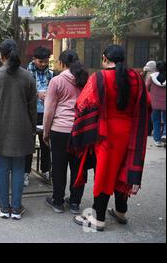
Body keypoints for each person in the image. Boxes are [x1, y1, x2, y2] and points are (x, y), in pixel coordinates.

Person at [71, 45, 150, 231]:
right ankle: (121, 211)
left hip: (106, 133)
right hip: (130, 133)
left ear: (105, 58)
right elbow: (148, 103)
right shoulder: (136, 78)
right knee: (123, 169)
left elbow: (82, 104)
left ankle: (98, 218)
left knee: (105, 173)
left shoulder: (99, 77)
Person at [0, 39, 37, 220]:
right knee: (19, 169)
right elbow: (32, 108)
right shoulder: (28, 77)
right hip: (22, 129)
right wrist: (32, 129)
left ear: (1, 56)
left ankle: (4, 208)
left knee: (2, 168)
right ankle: (16, 208)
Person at [43, 50, 89, 214]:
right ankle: (75, 203)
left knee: (59, 167)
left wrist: (46, 132)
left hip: (60, 131)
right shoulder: (85, 79)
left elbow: (49, 110)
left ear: (62, 63)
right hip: (80, 130)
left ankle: (58, 202)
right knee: (78, 168)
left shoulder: (56, 81)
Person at [25, 46, 53, 186]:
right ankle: (25, 172)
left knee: (46, 143)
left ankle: (46, 170)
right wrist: (37, 94)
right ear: (34, 59)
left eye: (46, 61)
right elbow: (23, 91)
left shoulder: (52, 74)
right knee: (29, 144)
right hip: (30, 113)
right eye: (40, 61)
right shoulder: (26, 73)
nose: (43, 64)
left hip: (46, 113)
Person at [146, 61, 166, 147]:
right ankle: (165, 134)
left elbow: (146, 87)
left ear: (157, 68)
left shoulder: (152, 77)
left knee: (156, 121)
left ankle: (157, 140)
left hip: (155, 103)